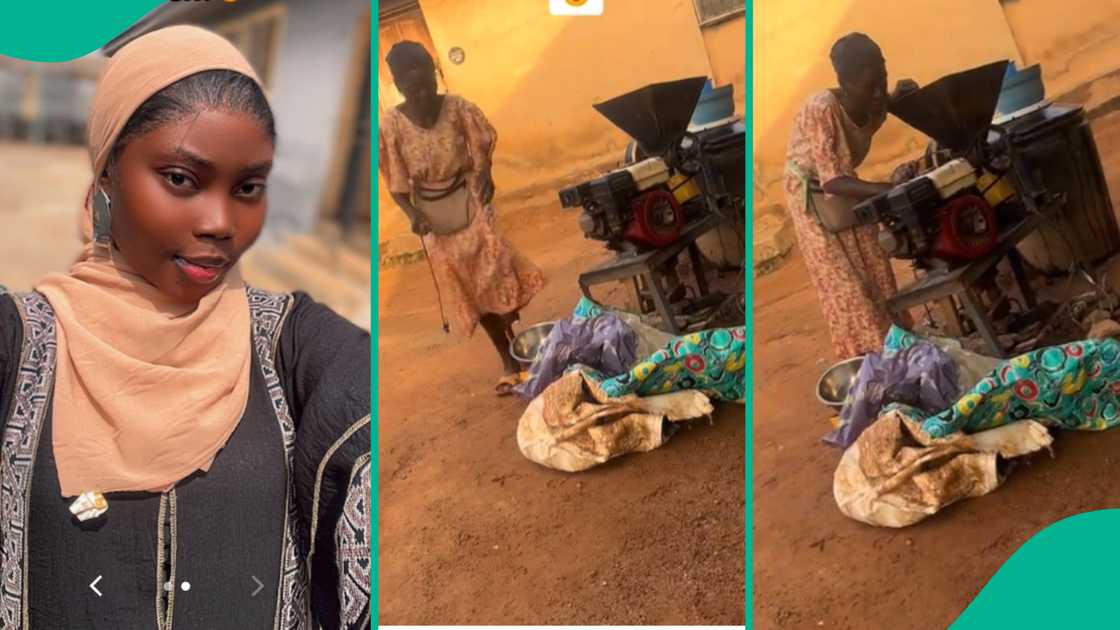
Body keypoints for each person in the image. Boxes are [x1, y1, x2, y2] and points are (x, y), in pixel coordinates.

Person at [0, 27, 369, 629]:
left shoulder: (289, 345)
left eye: (247, 187)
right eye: (180, 178)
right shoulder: (22, 344)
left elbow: (363, 409)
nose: (222, 222)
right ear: (108, 176)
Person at [378, 41, 545, 396]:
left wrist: (486, 177)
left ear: (434, 74)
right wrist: (412, 215)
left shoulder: (457, 108)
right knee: (472, 292)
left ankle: (523, 349)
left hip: (469, 200)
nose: (423, 93)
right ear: (399, 86)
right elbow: (394, 180)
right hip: (434, 218)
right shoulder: (391, 125)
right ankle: (508, 359)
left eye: (427, 83)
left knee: (497, 273)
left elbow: (481, 145)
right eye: (413, 88)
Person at [784, 32, 919, 359]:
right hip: (813, 197)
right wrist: (886, 191)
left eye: (882, 78)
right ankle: (871, 361)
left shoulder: (876, 102)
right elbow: (831, 181)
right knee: (847, 285)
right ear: (845, 82)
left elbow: (886, 102)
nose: (877, 92)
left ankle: (899, 347)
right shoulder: (823, 108)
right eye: (870, 84)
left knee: (876, 268)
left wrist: (905, 98)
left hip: (845, 184)